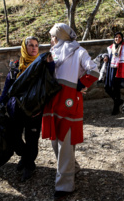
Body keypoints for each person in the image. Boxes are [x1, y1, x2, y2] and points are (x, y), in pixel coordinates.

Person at [42, 23, 99, 200]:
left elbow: (94, 71)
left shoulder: (78, 51)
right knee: (55, 140)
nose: (51, 40)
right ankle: (71, 168)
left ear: (59, 37)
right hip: (53, 101)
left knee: (65, 142)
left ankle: (65, 186)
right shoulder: (54, 53)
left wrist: (78, 86)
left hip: (67, 101)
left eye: (53, 36)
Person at [0, 36, 48, 182]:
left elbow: (47, 89)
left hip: (34, 112)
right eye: (30, 45)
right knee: (14, 137)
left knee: (32, 140)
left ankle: (29, 166)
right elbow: (6, 90)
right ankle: (25, 157)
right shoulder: (16, 66)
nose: (34, 48)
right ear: (24, 47)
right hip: (16, 111)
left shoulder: (42, 66)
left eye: (36, 45)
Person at [104, 32, 124, 115]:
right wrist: (105, 55)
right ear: (114, 38)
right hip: (111, 69)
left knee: (116, 89)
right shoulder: (110, 47)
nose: (118, 39)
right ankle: (118, 101)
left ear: (122, 39)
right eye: (116, 37)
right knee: (107, 87)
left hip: (119, 69)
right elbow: (107, 55)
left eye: (120, 37)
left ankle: (116, 109)